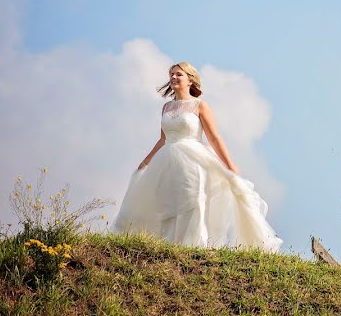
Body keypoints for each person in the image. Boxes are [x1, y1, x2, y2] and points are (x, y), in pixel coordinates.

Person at [111, 62, 282, 252]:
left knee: (193, 200)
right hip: (167, 161)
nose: (174, 78)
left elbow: (214, 138)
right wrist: (145, 162)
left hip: (194, 160)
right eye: (172, 75)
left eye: (179, 75)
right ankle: (171, 246)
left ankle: (195, 245)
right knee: (168, 202)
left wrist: (230, 166)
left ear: (190, 80)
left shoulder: (200, 106)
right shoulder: (166, 107)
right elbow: (162, 139)